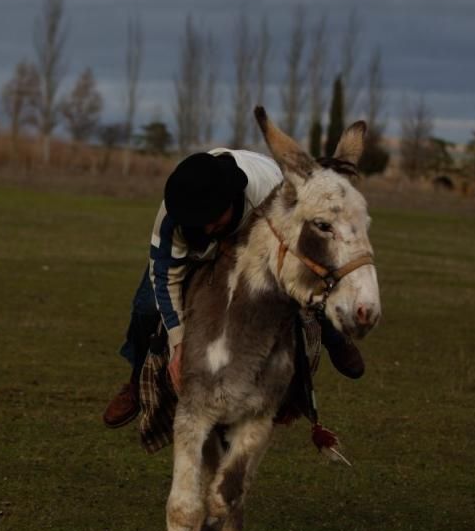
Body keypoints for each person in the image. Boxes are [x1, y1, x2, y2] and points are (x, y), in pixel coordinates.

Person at [102, 148, 365, 428]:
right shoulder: (175, 213)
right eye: (199, 222)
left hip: (260, 236)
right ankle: (135, 383)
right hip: (196, 252)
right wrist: (177, 344)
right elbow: (165, 275)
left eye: (214, 218)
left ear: (232, 200)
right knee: (145, 307)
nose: (208, 228)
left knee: (297, 288)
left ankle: (334, 339)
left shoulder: (272, 192)